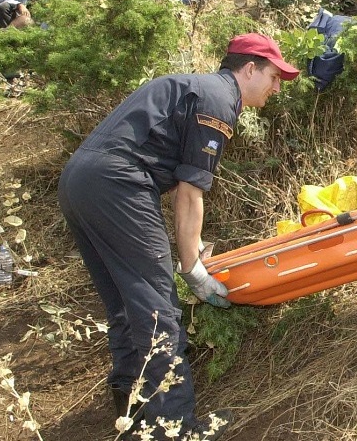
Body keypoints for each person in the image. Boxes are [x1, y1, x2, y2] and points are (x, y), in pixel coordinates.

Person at [57, 33, 299, 439]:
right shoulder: (218, 100)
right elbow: (189, 193)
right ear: (249, 69)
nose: (277, 88)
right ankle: (175, 429)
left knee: (126, 303)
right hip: (119, 184)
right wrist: (194, 270)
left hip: (80, 181)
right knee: (158, 310)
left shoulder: (194, 87)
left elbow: (176, 181)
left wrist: (192, 247)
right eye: (274, 77)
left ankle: (132, 413)